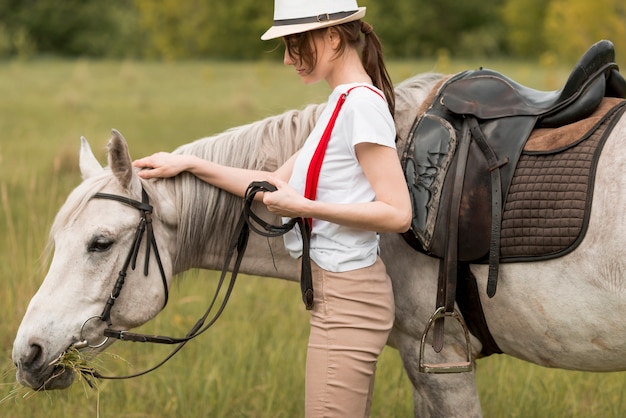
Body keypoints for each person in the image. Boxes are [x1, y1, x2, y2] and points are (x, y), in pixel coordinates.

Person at [133, 1, 411, 416]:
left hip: (349, 300)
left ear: (333, 37)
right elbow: (268, 187)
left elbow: (396, 212)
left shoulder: (361, 107)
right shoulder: (341, 104)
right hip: (338, 297)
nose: (286, 58)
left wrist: (305, 206)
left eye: (294, 43)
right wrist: (189, 163)